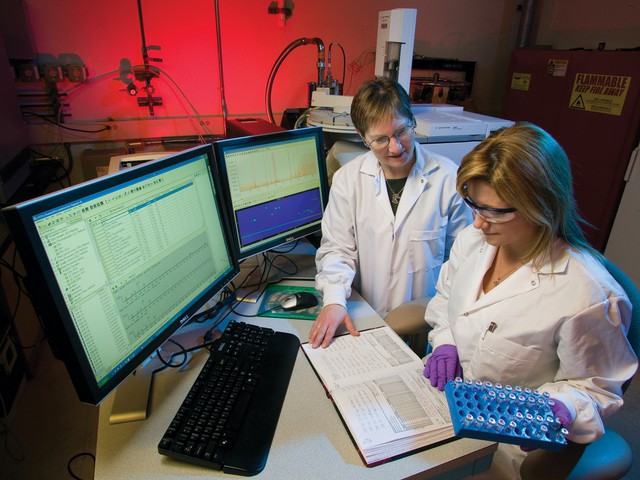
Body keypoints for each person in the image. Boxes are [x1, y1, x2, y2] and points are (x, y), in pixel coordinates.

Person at [422, 121, 638, 478]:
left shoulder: (587, 295)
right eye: (474, 205)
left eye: (495, 211)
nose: (478, 223)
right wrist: (445, 342)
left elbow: (596, 387)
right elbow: (448, 300)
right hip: (445, 406)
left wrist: (565, 407)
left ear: (542, 205)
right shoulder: (473, 243)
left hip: (509, 444)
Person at [308, 78, 472, 348]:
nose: (395, 147)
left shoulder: (448, 179)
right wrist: (335, 300)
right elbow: (338, 249)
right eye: (380, 139)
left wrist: (448, 333)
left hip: (428, 325)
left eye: (402, 132)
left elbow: (464, 261)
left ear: (412, 121)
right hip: (364, 317)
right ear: (363, 138)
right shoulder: (349, 180)